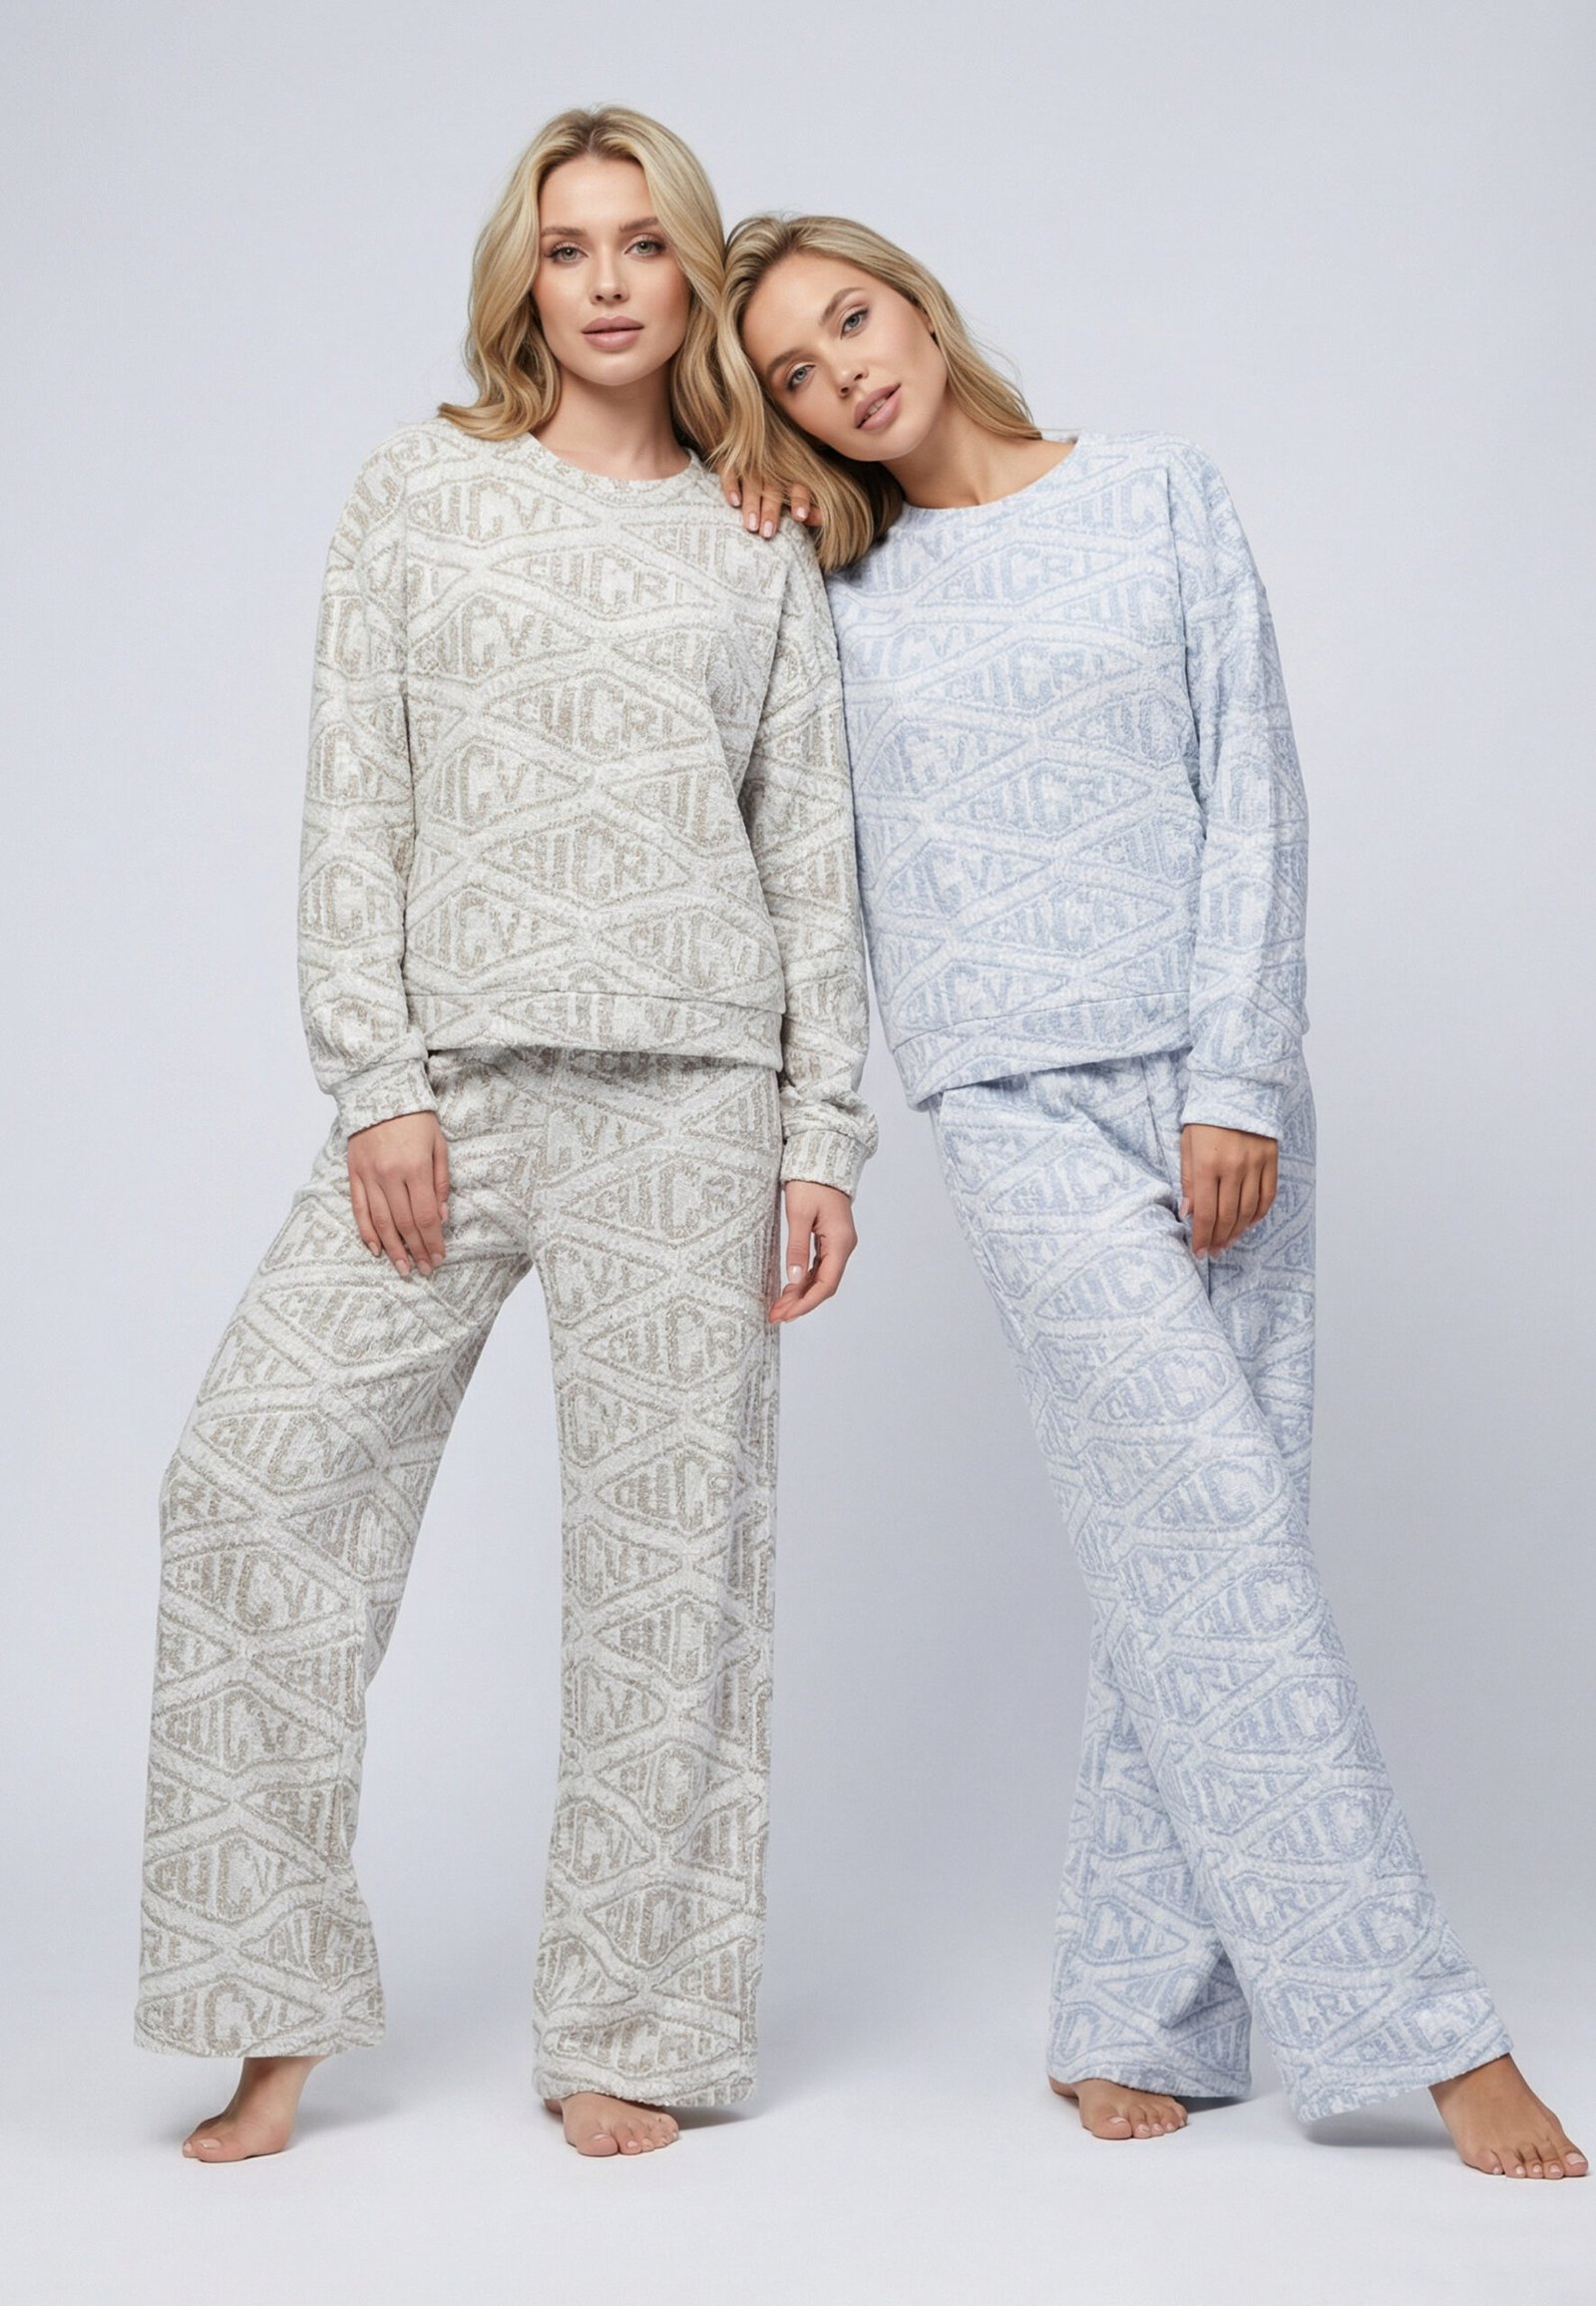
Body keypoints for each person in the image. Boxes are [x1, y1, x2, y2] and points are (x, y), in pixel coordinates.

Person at [714, 212, 1585, 2180]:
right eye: (790, 374)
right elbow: (789, 843)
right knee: (1207, 1528)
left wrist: (1237, 1075)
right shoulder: (822, 588)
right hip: (1008, 1099)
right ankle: (1430, 2029)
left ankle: (1136, 2010)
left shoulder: (1161, 494)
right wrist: (726, 489)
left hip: (1215, 1091)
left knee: (1194, 1548)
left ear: (915, 301)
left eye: (850, 319)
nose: (844, 373)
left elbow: (1251, 783)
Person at [135, 115, 874, 2164]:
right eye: (568, 247)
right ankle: (267, 2012)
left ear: (693, 272)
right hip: (452, 1089)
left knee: (669, 1577)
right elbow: (352, 793)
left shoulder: (756, 528)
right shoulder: (419, 488)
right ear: (521, 278)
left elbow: (807, 846)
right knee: (250, 1486)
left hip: (696, 1095)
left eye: (643, 244)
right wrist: (376, 1079)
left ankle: (630, 2025)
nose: (608, 281)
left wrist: (822, 1131)